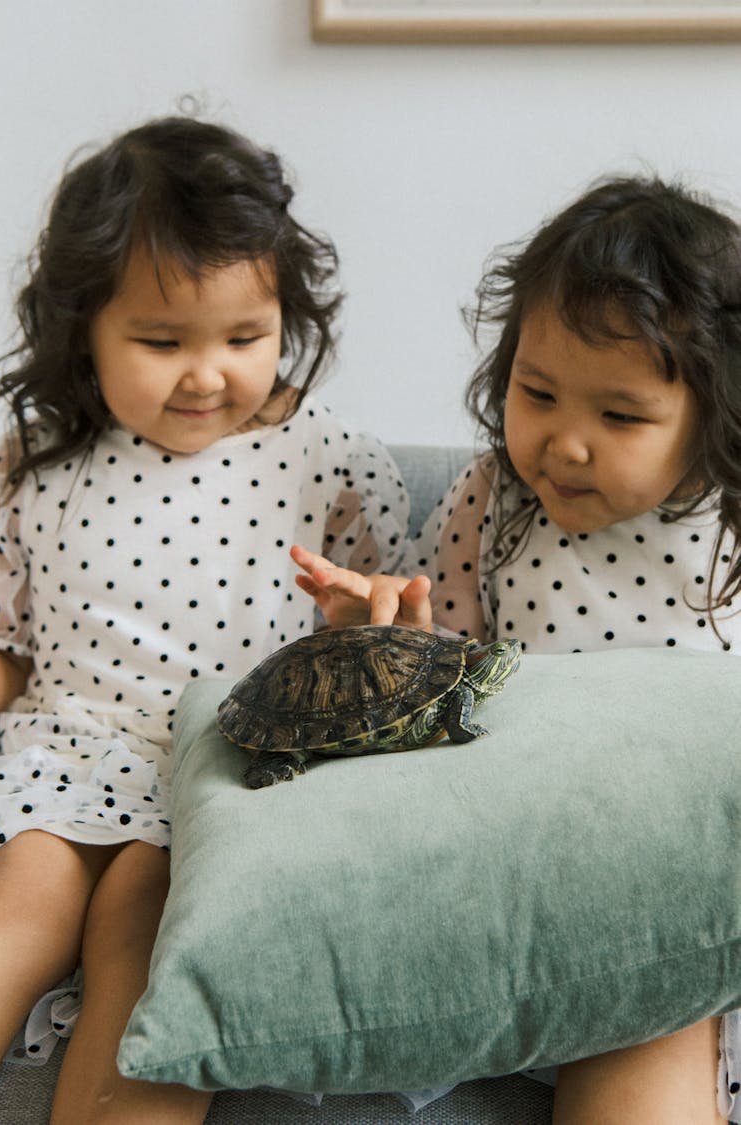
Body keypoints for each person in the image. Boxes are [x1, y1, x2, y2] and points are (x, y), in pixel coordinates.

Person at [293, 174, 741, 1125]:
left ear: (715, 413)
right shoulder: (492, 504)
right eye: (537, 394)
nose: (564, 445)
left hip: (679, 893)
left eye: (620, 417)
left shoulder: (728, 529)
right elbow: (444, 672)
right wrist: (386, 637)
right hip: (525, 873)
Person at [0, 114, 411, 1123]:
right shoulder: (36, 463)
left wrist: (356, 630)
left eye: (243, 338)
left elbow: (374, 664)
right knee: (18, 910)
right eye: (160, 340)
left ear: (287, 320)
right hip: (64, 752)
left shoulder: (333, 463)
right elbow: (4, 645)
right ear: (82, 329)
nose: (206, 373)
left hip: (219, 774)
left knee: (148, 944)